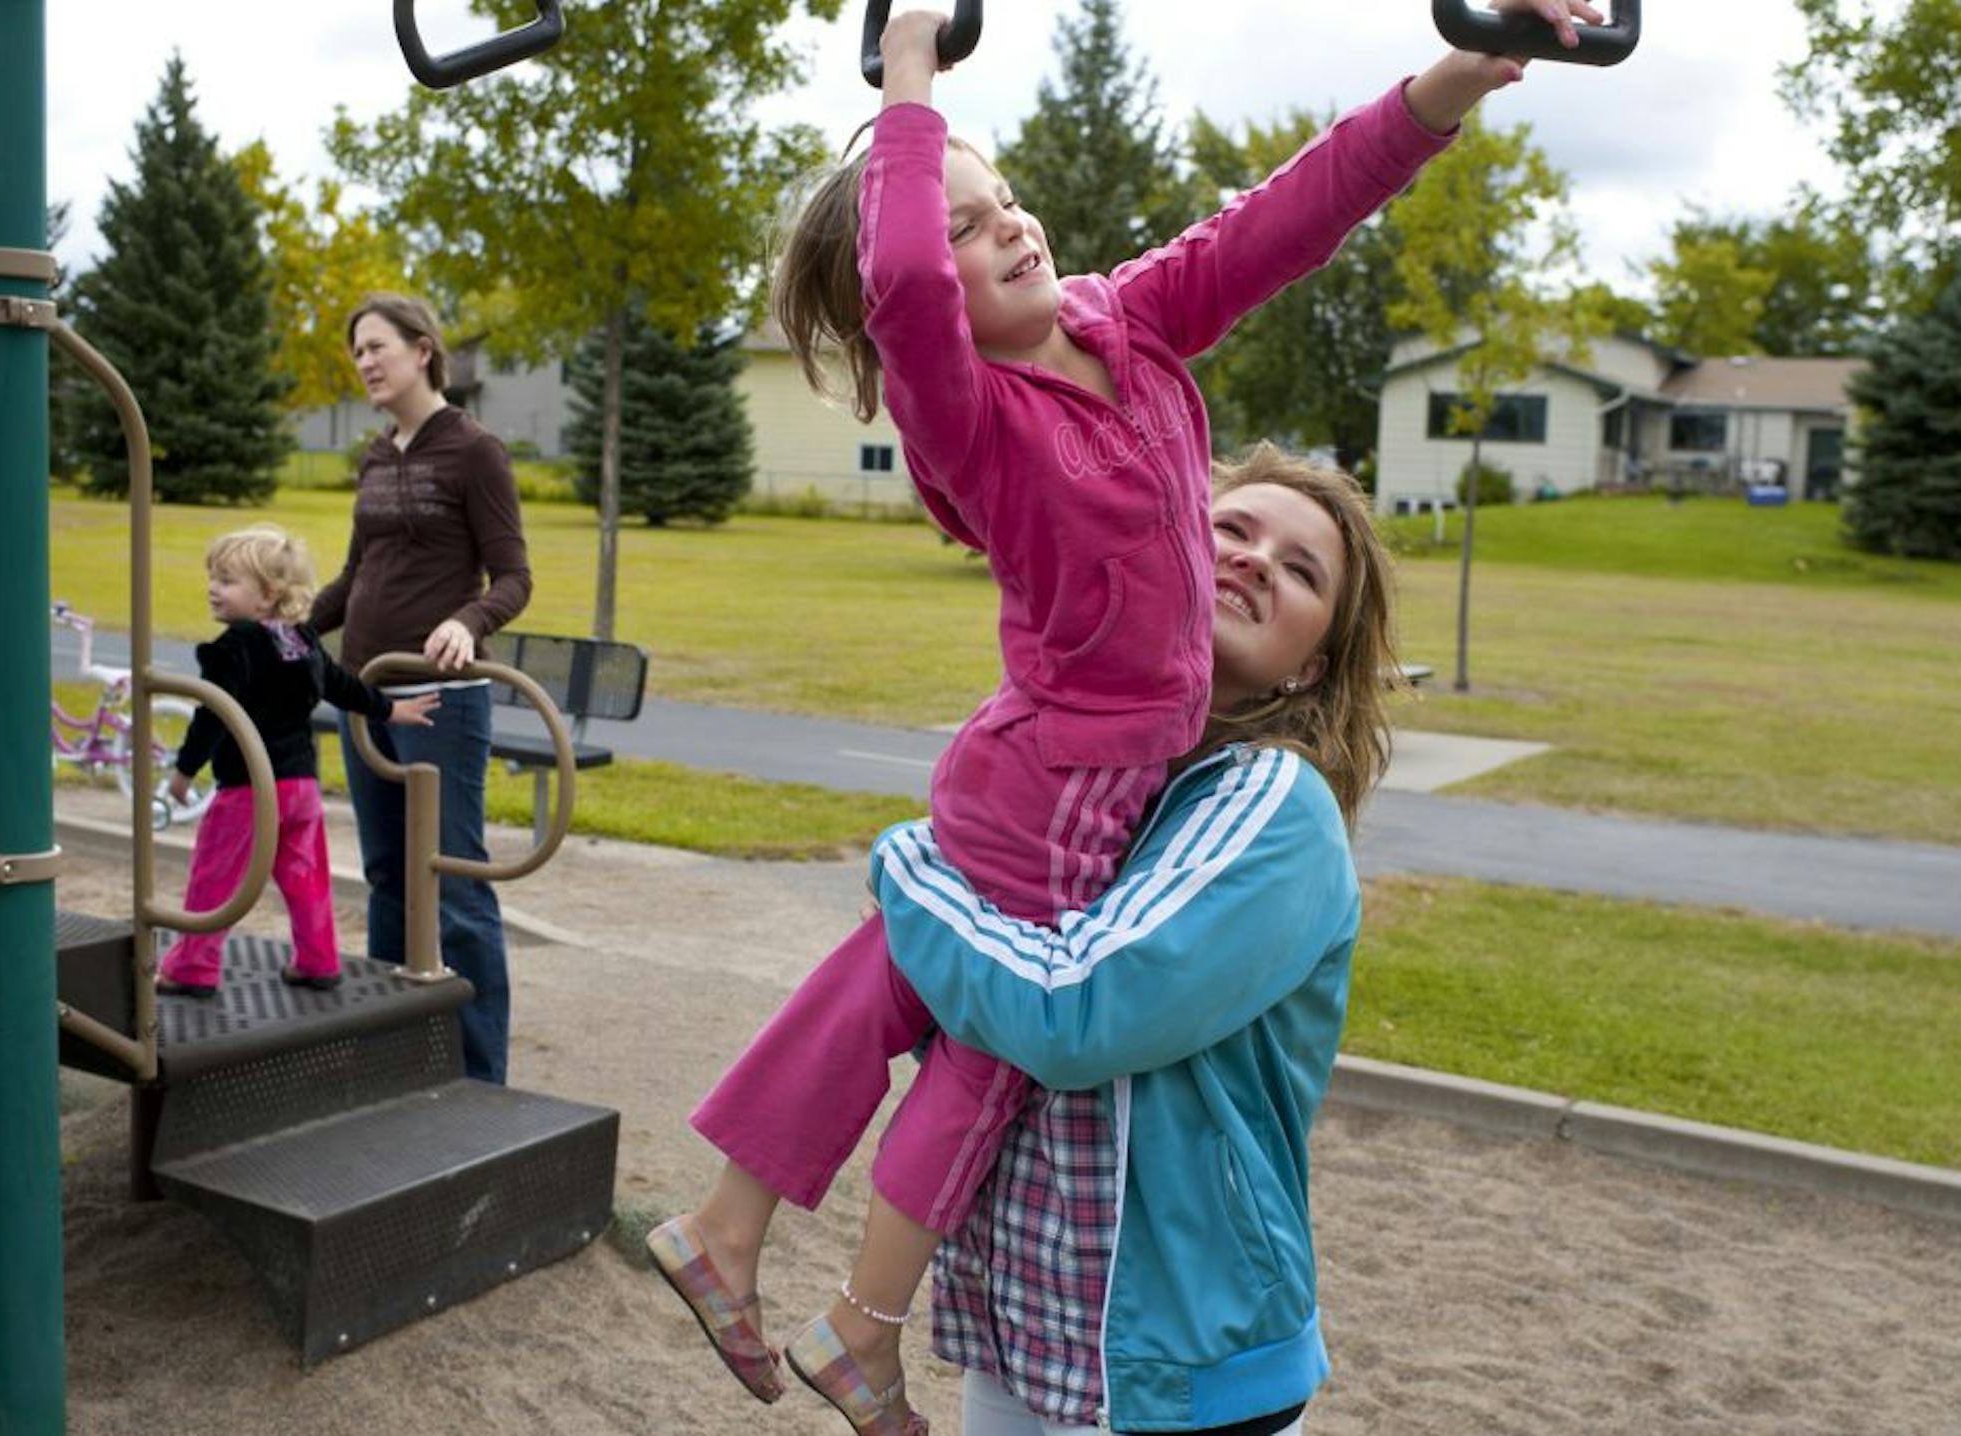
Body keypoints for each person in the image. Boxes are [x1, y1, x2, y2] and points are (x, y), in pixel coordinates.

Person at [647, 6, 1536, 1425]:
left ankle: (731, 1229)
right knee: (1002, 1025)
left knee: (896, 974)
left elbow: (1280, 222)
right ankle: (859, 1327)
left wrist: (1444, 90)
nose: (1014, 230)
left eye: (1008, 203)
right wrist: (911, 79)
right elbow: (901, 284)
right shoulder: (975, 419)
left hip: (1060, 764)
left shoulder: (1130, 323)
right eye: (968, 227)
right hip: (1065, 770)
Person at [887, 447, 1397, 1435]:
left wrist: (909, 862)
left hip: (1176, 1366)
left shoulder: (1275, 803)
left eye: (1301, 570)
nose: (1254, 560)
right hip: (1030, 1316)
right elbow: (966, 1021)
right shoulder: (1100, 783)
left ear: (1310, 664)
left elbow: (1071, 1013)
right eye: (1233, 529)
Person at [309, 293, 532, 1082]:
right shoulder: (376, 456)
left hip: (440, 699)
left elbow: (513, 577)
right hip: (367, 695)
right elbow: (354, 574)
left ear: (424, 350)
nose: (366, 362)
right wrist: (291, 632)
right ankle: (393, 1054)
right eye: (357, 352)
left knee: (454, 884)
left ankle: (478, 1077)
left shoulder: (474, 451)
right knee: (386, 880)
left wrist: (470, 622)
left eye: (377, 347)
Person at [156, 525, 437, 998]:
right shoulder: (301, 640)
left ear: (266, 596)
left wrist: (185, 770)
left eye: (226, 580)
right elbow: (340, 684)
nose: (213, 588)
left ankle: (192, 969)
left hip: (248, 789)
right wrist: (390, 708)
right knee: (306, 878)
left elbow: (213, 715)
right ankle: (317, 960)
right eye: (213, 577)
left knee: (216, 876)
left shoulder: (235, 647)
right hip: (300, 788)